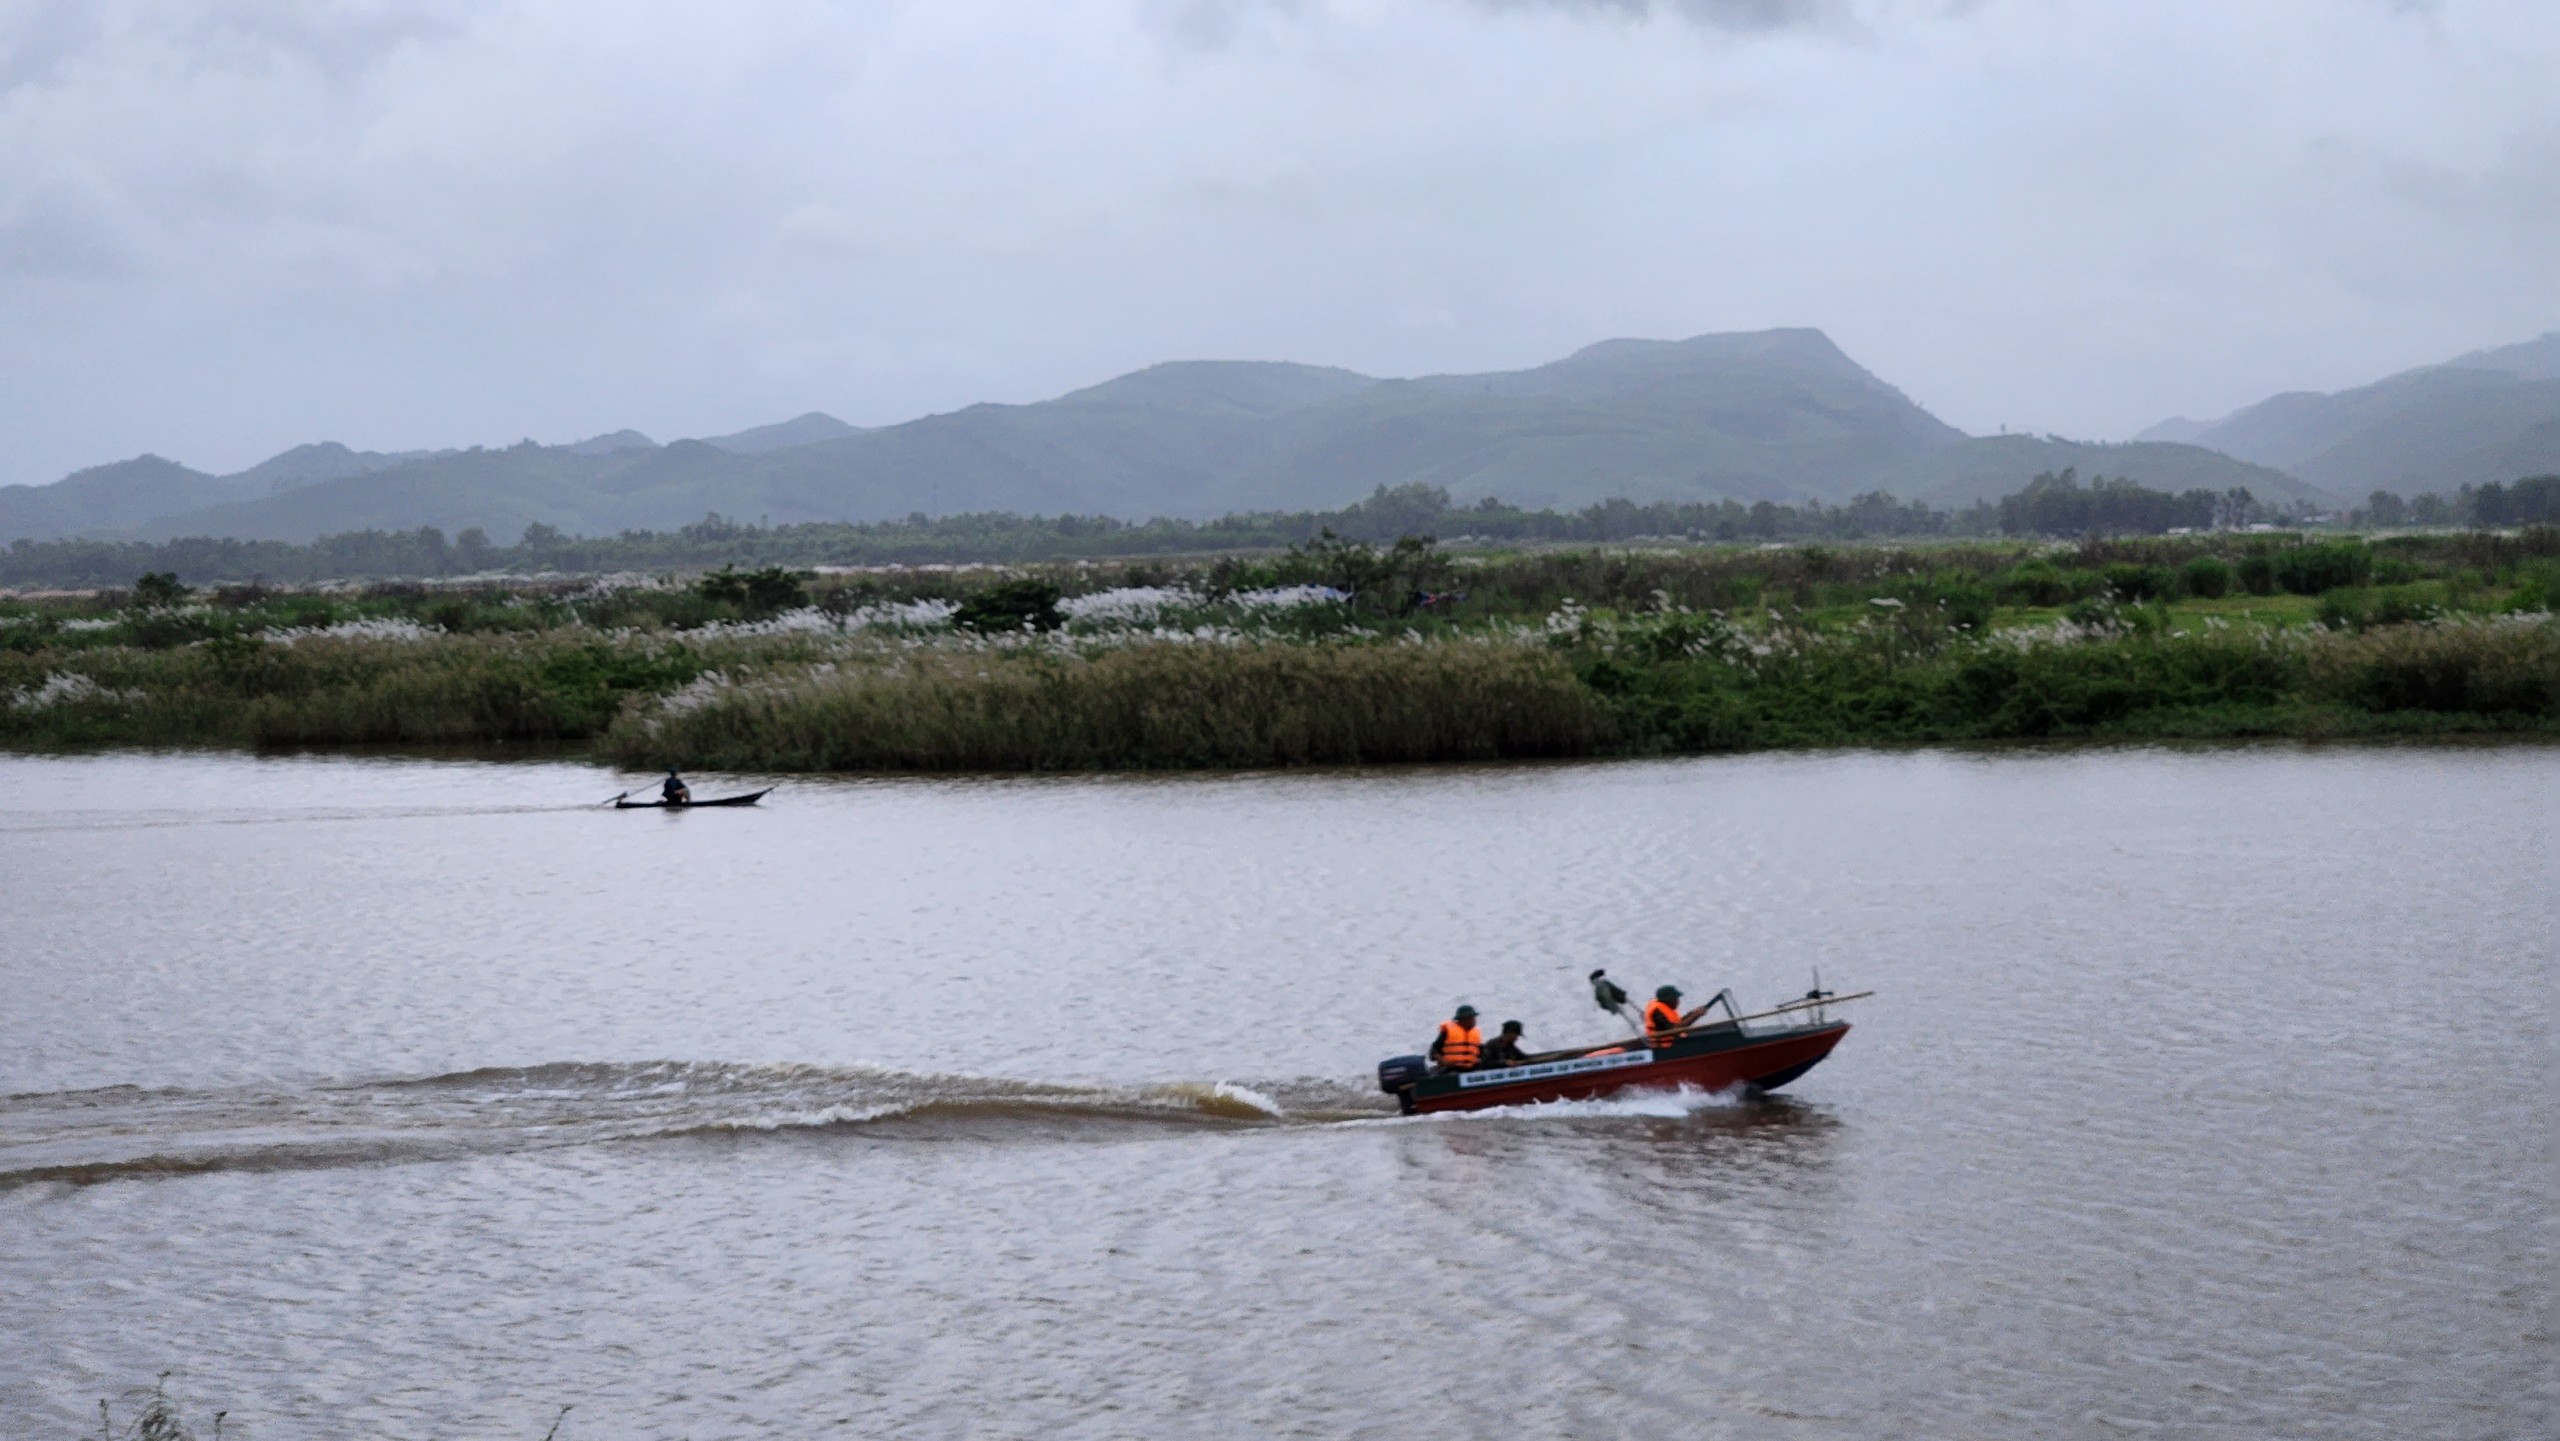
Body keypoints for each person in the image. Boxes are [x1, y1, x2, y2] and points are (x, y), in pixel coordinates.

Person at [1429, 1005, 1483, 1073]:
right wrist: (1443, 1061)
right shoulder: (1447, 1031)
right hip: (1452, 1068)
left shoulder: (1475, 1033)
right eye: (1471, 1018)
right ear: (1463, 1019)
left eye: (1473, 1017)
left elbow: (1480, 1053)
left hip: (1472, 1068)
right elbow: (1433, 1052)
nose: (1474, 1020)